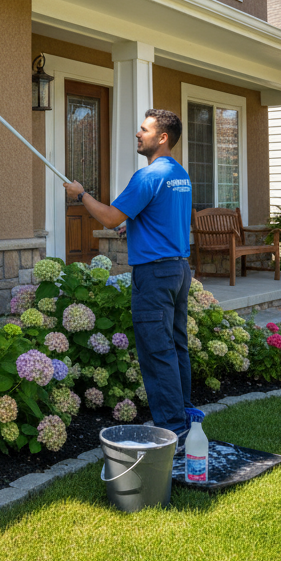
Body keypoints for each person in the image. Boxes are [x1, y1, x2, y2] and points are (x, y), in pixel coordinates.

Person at [64, 109, 197, 441]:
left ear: (162, 137)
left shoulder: (148, 176)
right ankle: (184, 416)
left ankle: (173, 430)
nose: (138, 135)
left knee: (157, 351)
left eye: (144, 130)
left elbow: (109, 217)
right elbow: (161, 217)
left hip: (155, 275)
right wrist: (135, 227)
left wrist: (81, 195)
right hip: (179, 269)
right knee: (177, 347)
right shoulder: (179, 174)